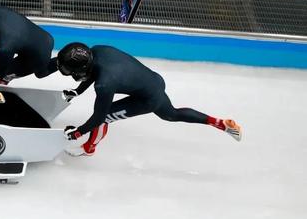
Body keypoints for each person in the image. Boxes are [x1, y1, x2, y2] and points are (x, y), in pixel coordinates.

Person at [57, 42, 242, 156]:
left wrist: (78, 132)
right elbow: (93, 72)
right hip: (154, 81)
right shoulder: (98, 50)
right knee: (172, 114)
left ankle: (89, 148)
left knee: (105, 117)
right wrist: (78, 90)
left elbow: (99, 116)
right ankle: (219, 123)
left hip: (147, 99)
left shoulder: (104, 84)